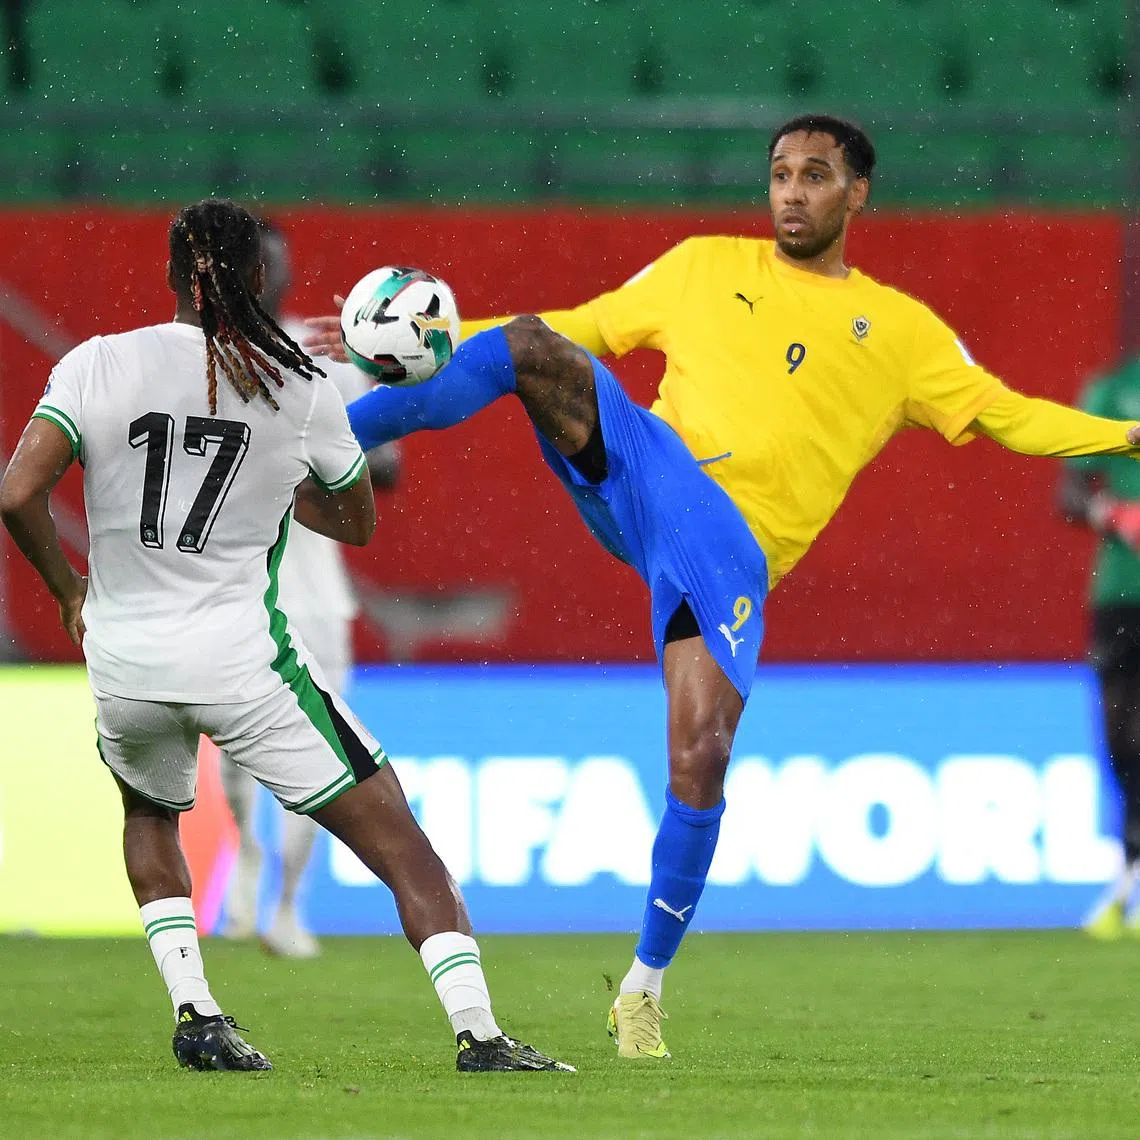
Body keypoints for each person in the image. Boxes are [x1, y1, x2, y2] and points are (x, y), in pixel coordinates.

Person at [305, 113, 1140, 1061]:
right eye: (780, 173)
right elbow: (582, 330)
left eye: (815, 176)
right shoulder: (704, 265)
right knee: (533, 348)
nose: (791, 191)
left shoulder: (903, 335)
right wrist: (437, 344)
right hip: (648, 470)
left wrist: (1126, 437)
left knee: (700, 758)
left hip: (727, 551)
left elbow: (1007, 417)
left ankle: (641, 993)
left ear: (856, 192)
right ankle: (327, 420)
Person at [0, 198, 572, 1075]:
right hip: (240, 663)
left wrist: (69, 588)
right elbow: (356, 521)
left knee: (151, 813)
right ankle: (480, 1035)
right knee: (404, 848)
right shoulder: (298, 385)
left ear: (168, 275)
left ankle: (196, 1012)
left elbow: (15, 493)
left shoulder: (96, 363)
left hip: (121, 658)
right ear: (261, 279)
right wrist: (271, 492)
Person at [218, 219, 400, 960]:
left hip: (316, 593)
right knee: (234, 761)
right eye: (263, 263)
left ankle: (289, 907)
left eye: (280, 263)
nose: (275, 275)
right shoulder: (201, 361)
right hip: (235, 588)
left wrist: (323, 450)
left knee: (321, 751)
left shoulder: (322, 358)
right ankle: (248, 861)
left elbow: (384, 470)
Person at [1059, 357, 1140, 938]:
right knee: (1122, 735)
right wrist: (1111, 512)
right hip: (1121, 591)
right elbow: (1067, 491)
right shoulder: (1113, 390)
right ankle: (1130, 865)